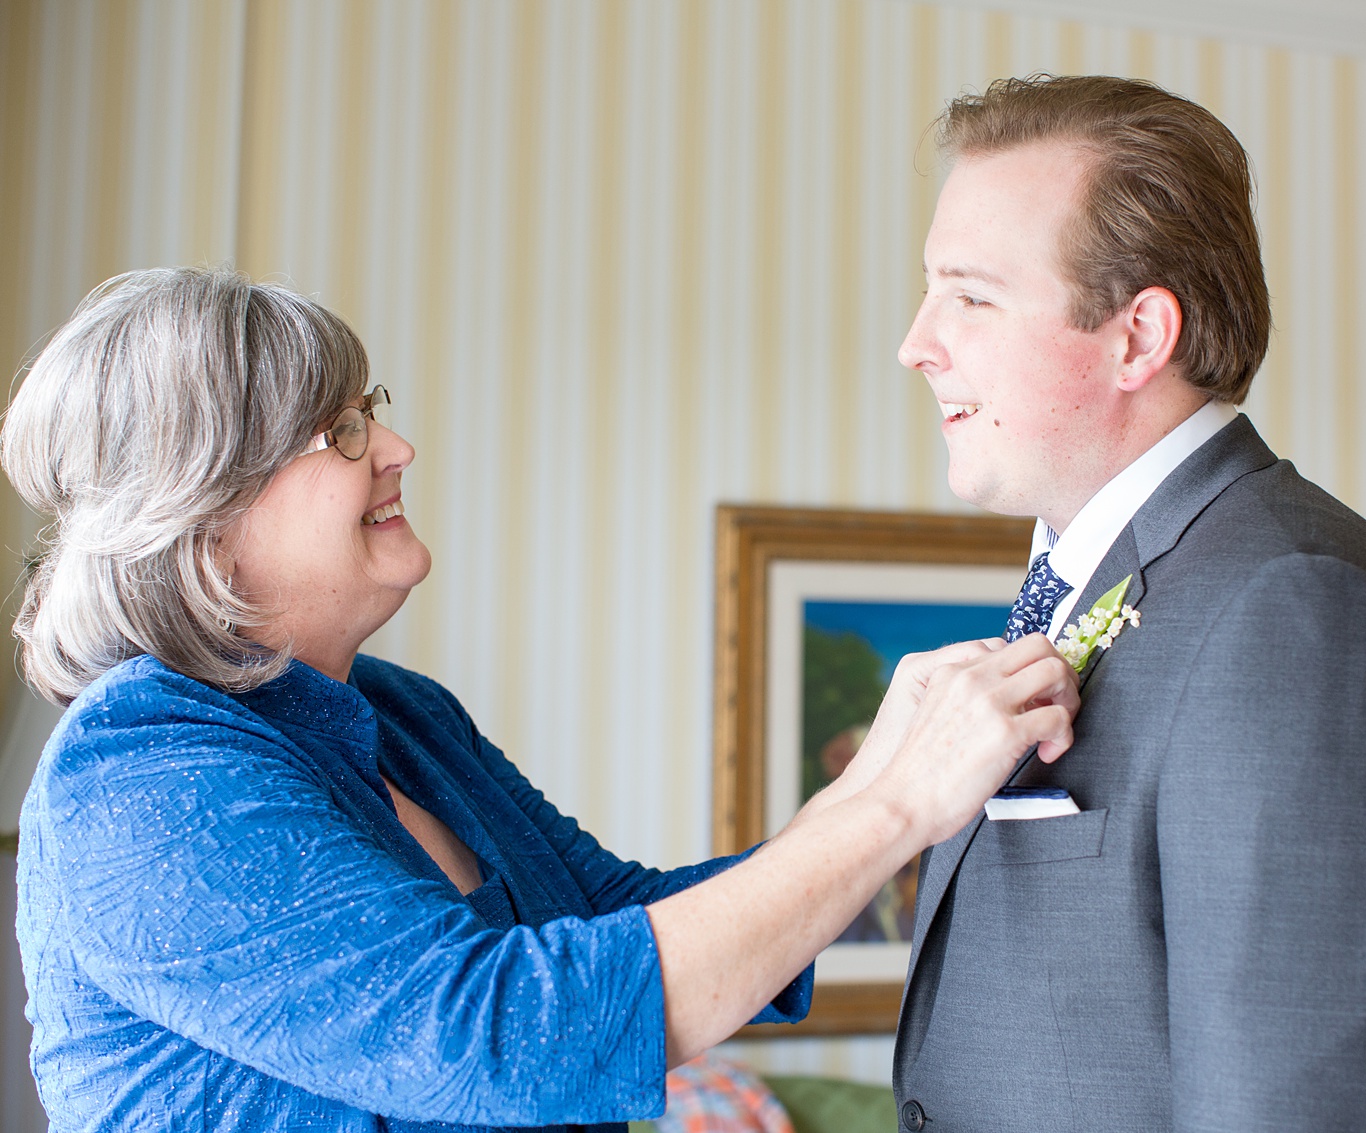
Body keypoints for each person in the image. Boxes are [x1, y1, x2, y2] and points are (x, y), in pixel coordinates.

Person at [4, 266, 1081, 1133]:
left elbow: (619, 915)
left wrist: (895, 765)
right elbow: (500, 1035)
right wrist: (888, 804)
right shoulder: (137, 776)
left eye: (366, 410)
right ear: (201, 518)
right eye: (338, 433)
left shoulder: (402, 713)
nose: (395, 448)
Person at [890, 76, 1366, 1132]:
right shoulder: (1082, 584)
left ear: (1136, 337)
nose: (917, 341)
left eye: (971, 295)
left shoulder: (1297, 610)